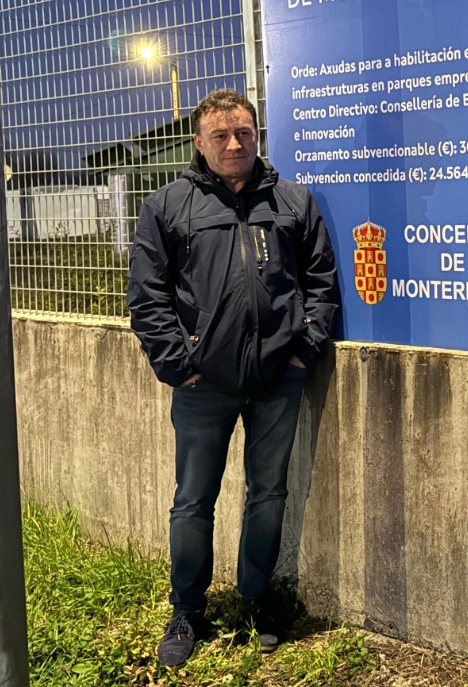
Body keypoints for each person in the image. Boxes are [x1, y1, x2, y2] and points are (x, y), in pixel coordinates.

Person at [127, 88, 340, 668]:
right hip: (203, 386)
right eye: (220, 135)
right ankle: (186, 610)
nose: (233, 143)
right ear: (198, 142)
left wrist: (304, 353)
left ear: (257, 135)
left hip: (278, 380)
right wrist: (182, 367)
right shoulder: (170, 206)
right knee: (193, 501)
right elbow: (148, 299)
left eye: (243, 132)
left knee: (268, 493)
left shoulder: (294, 202)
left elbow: (322, 285)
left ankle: (257, 599)